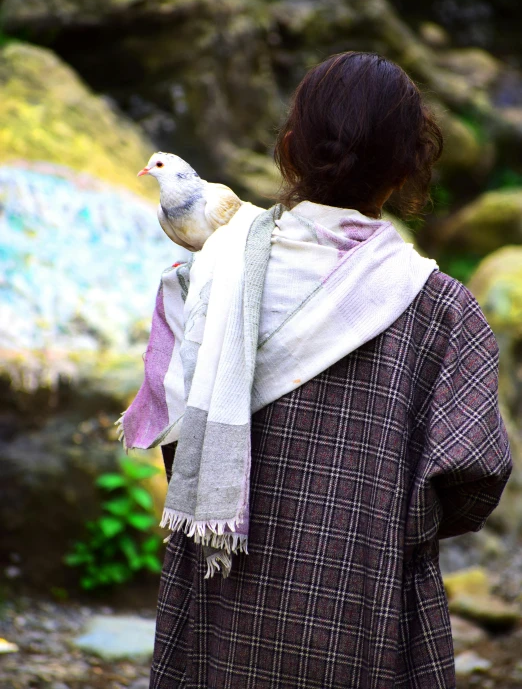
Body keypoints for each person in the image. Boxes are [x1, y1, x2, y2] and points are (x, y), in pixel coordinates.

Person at [149, 52, 513, 688]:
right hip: (364, 609)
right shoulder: (442, 312)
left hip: (220, 601)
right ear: (406, 169)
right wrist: (369, 516)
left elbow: (181, 446)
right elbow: (474, 474)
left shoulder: (211, 275)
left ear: (288, 150)